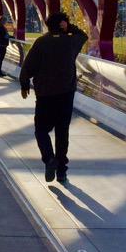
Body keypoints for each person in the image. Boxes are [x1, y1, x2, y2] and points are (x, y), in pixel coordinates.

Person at [19, 11, 87, 185]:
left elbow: (29, 66)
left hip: (45, 95)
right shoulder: (70, 42)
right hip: (66, 94)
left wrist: (25, 84)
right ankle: (62, 172)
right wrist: (69, 27)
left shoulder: (41, 42)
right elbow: (83, 35)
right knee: (62, 132)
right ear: (63, 24)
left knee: (41, 130)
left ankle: (49, 159)